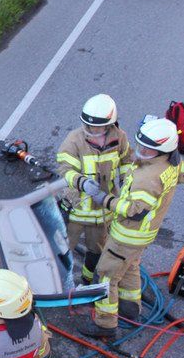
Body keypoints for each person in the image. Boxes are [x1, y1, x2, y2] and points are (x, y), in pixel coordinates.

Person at [76, 117, 184, 338]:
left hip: (127, 236)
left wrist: (104, 198)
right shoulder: (172, 164)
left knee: (106, 277)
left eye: (147, 148)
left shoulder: (147, 179)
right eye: (140, 144)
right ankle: (129, 309)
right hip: (143, 235)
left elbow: (134, 211)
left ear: (162, 150)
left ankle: (105, 325)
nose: (141, 150)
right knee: (129, 267)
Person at [55, 94, 134, 285]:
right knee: (62, 249)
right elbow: (65, 170)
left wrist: (127, 184)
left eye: (96, 126)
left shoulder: (119, 138)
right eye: (88, 125)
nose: (91, 129)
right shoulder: (74, 140)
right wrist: (82, 183)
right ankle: (58, 282)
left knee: (96, 251)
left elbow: (127, 162)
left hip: (102, 212)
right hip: (76, 210)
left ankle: (86, 281)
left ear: (109, 124)